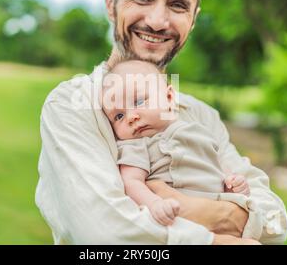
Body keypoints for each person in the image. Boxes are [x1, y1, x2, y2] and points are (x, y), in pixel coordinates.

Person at [36, 0, 287, 244]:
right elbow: (108, 236)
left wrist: (175, 204)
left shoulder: (201, 115)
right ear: (110, 3)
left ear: (193, 19)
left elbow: (275, 222)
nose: (157, 21)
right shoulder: (72, 104)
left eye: (178, 5)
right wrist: (225, 232)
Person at [102, 60, 257, 245]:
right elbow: (132, 182)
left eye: (140, 101)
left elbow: (214, 163)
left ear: (168, 98)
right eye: (118, 116)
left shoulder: (196, 128)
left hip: (217, 205)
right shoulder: (136, 145)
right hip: (179, 218)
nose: (131, 117)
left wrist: (233, 182)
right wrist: (154, 204)